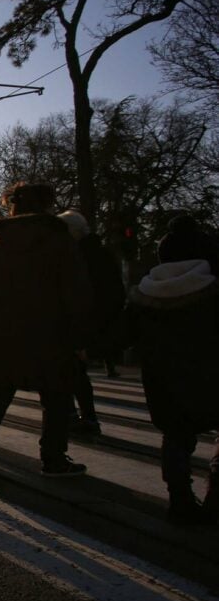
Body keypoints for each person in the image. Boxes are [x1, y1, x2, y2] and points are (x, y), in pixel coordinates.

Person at [0, 182, 92, 483]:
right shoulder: (58, 240)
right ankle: (53, 459)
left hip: (3, 332)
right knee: (56, 397)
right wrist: (81, 338)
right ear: (47, 206)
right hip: (50, 332)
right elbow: (76, 293)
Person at [121, 215, 219, 524]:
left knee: (176, 437)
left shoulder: (144, 295)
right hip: (211, 375)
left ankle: (180, 501)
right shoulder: (214, 290)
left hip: (163, 381)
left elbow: (120, 335)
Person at [57, 209, 126, 435]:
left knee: (68, 371)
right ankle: (85, 417)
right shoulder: (100, 253)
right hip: (89, 322)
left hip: (78, 323)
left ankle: (78, 417)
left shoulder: (77, 257)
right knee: (73, 371)